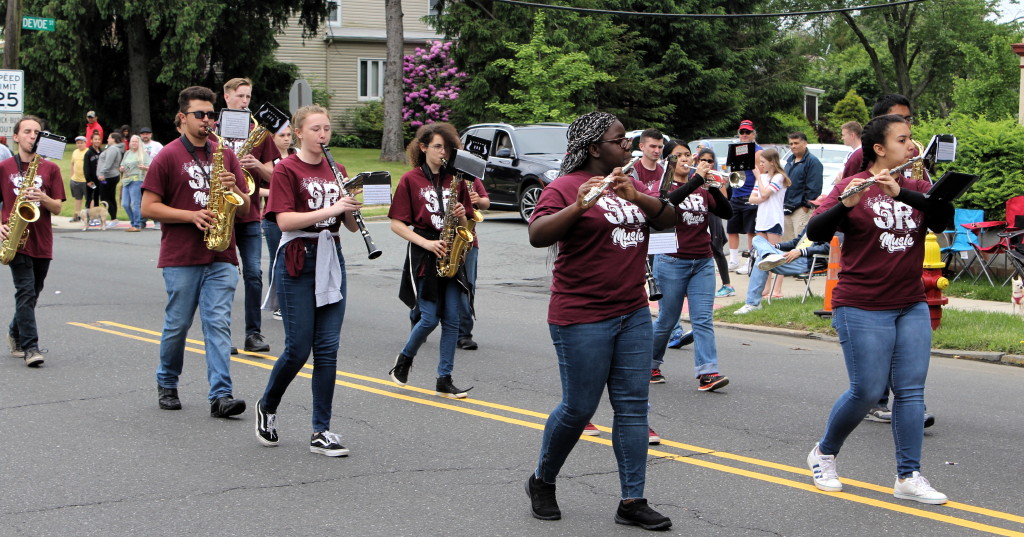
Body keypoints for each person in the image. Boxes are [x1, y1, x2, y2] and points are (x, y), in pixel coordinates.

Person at [524, 111, 675, 530]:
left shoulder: (631, 183)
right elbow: (539, 233)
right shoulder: (564, 187)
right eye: (619, 140)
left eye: (627, 140)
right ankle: (542, 481)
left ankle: (632, 500)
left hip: (631, 312)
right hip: (582, 314)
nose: (628, 145)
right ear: (594, 148)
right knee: (578, 407)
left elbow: (668, 219)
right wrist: (579, 206)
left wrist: (638, 197)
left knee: (631, 408)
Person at [804, 114, 953, 505]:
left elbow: (943, 217)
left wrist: (901, 194)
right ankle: (824, 453)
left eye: (911, 139)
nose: (912, 146)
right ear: (880, 149)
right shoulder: (852, 186)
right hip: (861, 303)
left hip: (910, 302)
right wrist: (845, 204)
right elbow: (816, 232)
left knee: (910, 391)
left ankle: (908, 475)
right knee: (868, 390)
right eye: (903, 139)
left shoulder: (917, 186)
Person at [254, 105, 362, 457]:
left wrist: (349, 209)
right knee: (299, 347)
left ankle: (321, 430)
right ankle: (268, 406)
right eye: (316, 129)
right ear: (299, 132)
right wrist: (331, 209)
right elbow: (283, 220)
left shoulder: (338, 169)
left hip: (331, 258)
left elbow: (344, 225)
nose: (323, 135)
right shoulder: (286, 169)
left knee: (328, 349)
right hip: (297, 261)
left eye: (327, 128)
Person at [140, 85, 250, 417]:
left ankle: (221, 396)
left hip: (222, 254)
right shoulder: (168, 155)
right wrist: (190, 215)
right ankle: (167, 381)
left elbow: (245, 210)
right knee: (178, 324)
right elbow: (148, 206)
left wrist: (236, 191)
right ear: (182, 118)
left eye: (211, 115)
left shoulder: (225, 154)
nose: (207, 121)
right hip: (182, 255)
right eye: (199, 115)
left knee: (218, 323)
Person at [387, 122, 475, 399]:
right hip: (425, 251)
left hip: (452, 251)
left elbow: (469, 224)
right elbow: (396, 223)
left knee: (451, 320)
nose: (443, 152)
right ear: (423, 147)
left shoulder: (456, 179)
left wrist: (461, 214)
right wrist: (426, 242)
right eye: (437, 146)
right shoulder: (411, 180)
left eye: (447, 147)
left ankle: (444, 378)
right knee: (427, 318)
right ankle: (404, 361)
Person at [650, 143, 733, 391]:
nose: (686, 159)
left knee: (703, 319)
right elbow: (666, 204)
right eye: (679, 156)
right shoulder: (662, 188)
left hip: (703, 261)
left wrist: (713, 187)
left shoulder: (702, 187)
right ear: (669, 161)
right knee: (667, 319)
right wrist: (697, 182)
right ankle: (649, 364)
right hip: (672, 262)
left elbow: (727, 213)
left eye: (688, 155)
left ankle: (708, 373)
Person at [2, 115, 66, 367]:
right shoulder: (4, 167)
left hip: (42, 239)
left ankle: (14, 332)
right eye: (27, 131)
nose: (32, 136)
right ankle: (31, 347)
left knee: (33, 291)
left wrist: (43, 197)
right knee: (25, 290)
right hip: (16, 238)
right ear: (16, 137)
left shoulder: (50, 168)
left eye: (37, 132)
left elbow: (59, 208)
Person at [221, 77, 280, 354]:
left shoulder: (260, 132)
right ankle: (223, 334)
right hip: (222, 213)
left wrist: (256, 164)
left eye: (248, 97)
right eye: (241, 96)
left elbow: (274, 175)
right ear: (227, 97)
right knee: (224, 275)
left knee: (254, 273)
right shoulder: (214, 132)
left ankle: (253, 333)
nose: (245, 102)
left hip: (249, 212)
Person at [733, 227, 830, 314]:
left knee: (760, 259)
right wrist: (776, 246)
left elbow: (830, 247)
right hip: (788, 255)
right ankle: (769, 255)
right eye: (814, 207)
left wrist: (801, 252)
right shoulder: (813, 223)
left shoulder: (834, 223)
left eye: (817, 208)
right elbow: (794, 243)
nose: (815, 210)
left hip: (805, 261)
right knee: (757, 239)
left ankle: (752, 304)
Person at [265, 125, 295, 321]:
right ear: (273, 138)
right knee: (277, 259)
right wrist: (277, 193)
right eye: (281, 135)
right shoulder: (269, 160)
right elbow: (255, 188)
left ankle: (292, 300)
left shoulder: (297, 155)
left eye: (289, 135)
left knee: (293, 257)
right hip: (274, 215)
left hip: (295, 213)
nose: (286, 139)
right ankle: (277, 303)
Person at [726, 120, 763, 275]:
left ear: (753, 133)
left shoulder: (758, 151)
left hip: (750, 195)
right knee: (732, 229)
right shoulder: (736, 149)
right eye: (742, 132)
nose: (745, 135)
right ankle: (734, 260)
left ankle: (750, 261)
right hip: (736, 193)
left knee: (750, 232)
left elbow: (760, 172)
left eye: (748, 132)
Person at [457, 175, 489, 350]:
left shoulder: (471, 178)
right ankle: (419, 322)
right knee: (431, 285)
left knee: (467, 287)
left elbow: (486, 203)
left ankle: (463, 334)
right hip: (439, 241)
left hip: (469, 242)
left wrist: (479, 200)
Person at [782, 132, 823, 241]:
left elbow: (814, 187)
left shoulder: (813, 162)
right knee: (787, 242)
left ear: (805, 144)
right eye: (791, 144)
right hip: (786, 207)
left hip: (801, 209)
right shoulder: (789, 161)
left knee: (800, 242)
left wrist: (806, 206)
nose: (793, 146)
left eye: (796, 143)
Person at [748, 148, 789, 245]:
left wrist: (758, 177)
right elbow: (751, 198)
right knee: (762, 252)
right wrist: (763, 198)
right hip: (762, 219)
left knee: (772, 252)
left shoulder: (779, 177)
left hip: (773, 219)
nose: (761, 164)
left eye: (763, 162)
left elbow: (765, 193)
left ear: (771, 162)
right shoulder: (762, 177)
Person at [119, 135, 150, 232]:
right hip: (126, 180)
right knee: (125, 204)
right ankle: (133, 222)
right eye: (132, 141)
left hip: (137, 180)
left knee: (135, 203)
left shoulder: (143, 154)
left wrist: (144, 167)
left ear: (139, 143)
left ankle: (136, 224)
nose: (134, 143)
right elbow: (122, 165)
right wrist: (121, 169)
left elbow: (150, 167)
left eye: (136, 141)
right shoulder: (127, 153)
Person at [97, 132, 124, 225]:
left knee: (104, 198)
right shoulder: (113, 148)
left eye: (109, 138)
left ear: (114, 139)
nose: (107, 139)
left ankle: (113, 219)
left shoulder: (113, 149)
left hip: (108, 176)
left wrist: (101, 173)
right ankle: (114, 218)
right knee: (111, 197)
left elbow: (108, 163)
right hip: (112, 175)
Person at [69, 136, 89, 221]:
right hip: (76, 180)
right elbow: (72, 164)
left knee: (89, 199)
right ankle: (77, 215)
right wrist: (71, 176)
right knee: (78, 198)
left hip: (86, 180)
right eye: (78, 143)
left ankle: (88, 216)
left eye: (81, 143)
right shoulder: (75, 152)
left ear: (85, 143)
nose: (79, 144)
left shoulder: (88, 152)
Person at [83, 132, 103, 214]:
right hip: (91, 180)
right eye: (95, 139)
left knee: (97, 197)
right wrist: (88, 180)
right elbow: (86, 167)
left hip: (99, 179)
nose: (97, 141)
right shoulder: (88, 153)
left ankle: (96, 215)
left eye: (98, 139)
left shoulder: (101, 152)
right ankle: (87, 215)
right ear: (91, 140)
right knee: (89, 198)